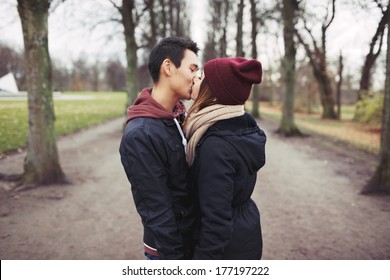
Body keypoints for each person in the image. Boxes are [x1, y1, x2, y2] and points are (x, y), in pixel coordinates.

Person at [119, 37, 200, 260]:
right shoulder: (140, 134)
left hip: (191, 240)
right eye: (192, 69)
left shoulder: (178, 114)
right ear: (168, 67)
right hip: (170, 252)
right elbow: (157, 210)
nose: (197, 76)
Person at [183, 57, 267, 259]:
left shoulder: (216, 147)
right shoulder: (239, 126)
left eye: (201, 77)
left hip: (228, 249)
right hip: (244, 232)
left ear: (213, 93)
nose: (195, 78)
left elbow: (216, 223)